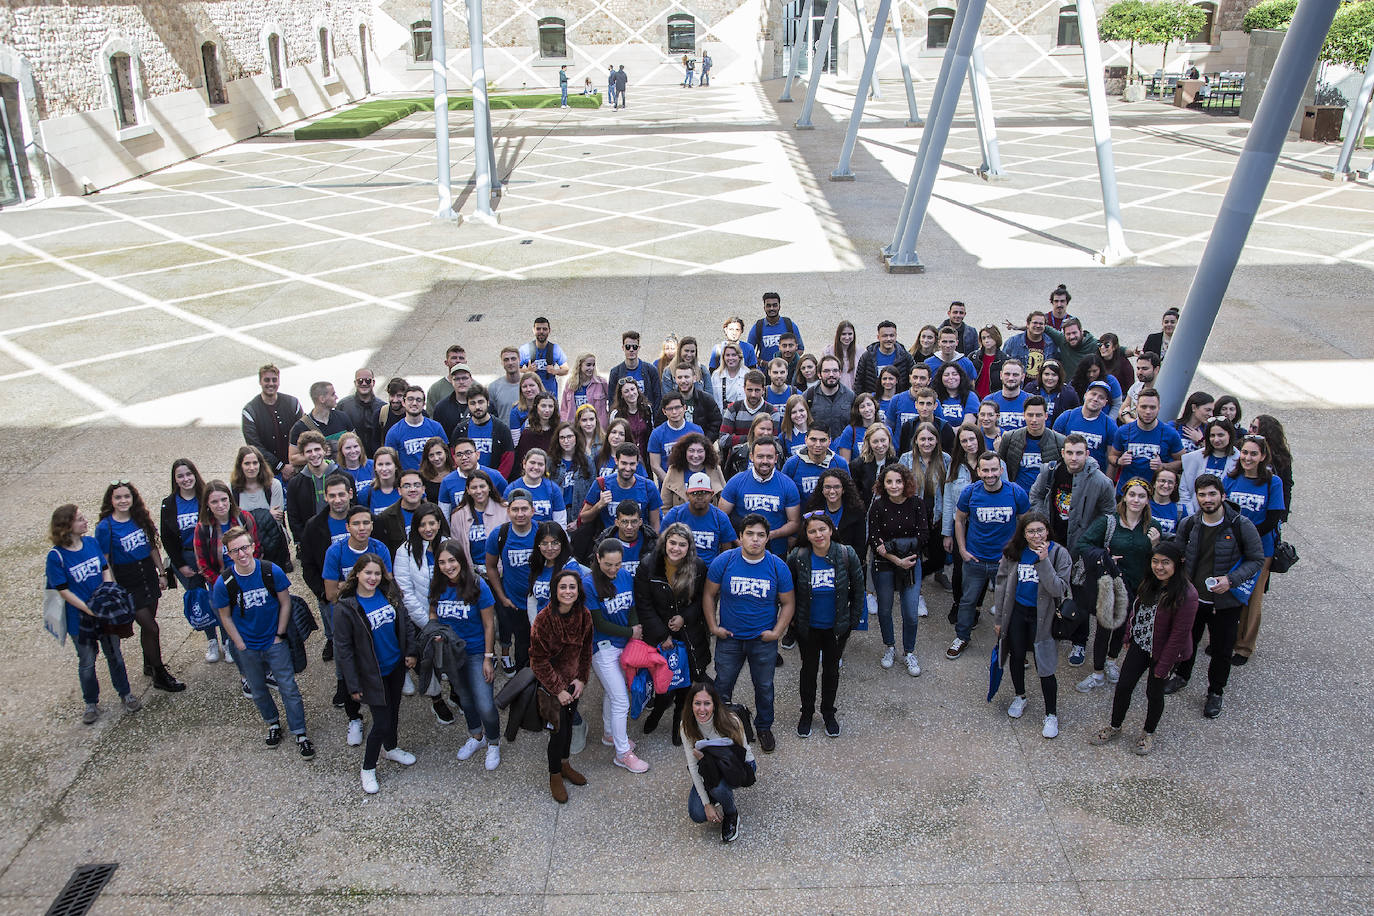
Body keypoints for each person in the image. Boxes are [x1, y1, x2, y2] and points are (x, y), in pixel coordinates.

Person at [1161, 474, 1265, 718]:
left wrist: (1230, 580)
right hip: (1194, 600)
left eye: (1212, 494)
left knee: (1221, 650)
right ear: (1196, 497)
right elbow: (1178, 552)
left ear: (1222, 496)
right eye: (1202, 495)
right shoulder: (1189, 524)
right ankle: (1181, 676)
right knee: (1187, 641)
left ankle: (1215, 692)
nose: (1207, 499)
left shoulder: (1241, 525)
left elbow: (1256, 559)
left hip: (1225, 603)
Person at [210, 526, 313, 759]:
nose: (242, 554)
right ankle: (273, 723)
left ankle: (300, 732)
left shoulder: (270, 571)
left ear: (253, 547)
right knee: (257, 690)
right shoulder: (224, 582)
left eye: (244, 547)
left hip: (274, 642)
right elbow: (224, 616)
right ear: (228, 554)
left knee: (289, 688)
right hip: (247, 646)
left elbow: (285, 602)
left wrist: (279, 634)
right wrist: (240, 643)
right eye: (235, 551)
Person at [1093, 540, 1198, 755]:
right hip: (1141, 644)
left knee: (1154, 693)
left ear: (1178, 564)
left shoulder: (1188, 595)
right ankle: (1115, 725)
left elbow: (1179, 635)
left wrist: (1163, 667)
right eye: (1155, 561)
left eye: (1165, 563)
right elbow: (1138, 609)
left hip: (1164, 652)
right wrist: (1129, 633)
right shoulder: (1152, 581)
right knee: (1123, 687)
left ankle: (1148, 732)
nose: (1159, 567)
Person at [703, 514, 795, 753]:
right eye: (750, 534)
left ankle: (764, 726)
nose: (755, 540)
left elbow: (788, 603)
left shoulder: (777, 566)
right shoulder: (724, 561)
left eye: (761, 535)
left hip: (762, 641)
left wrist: (777, 632)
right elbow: (709, 594)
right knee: (722, 684)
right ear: (740, 537)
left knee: (764, 687)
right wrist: (713, 626)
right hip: (730, 639)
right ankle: (722, 728)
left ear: (767, 538)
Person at [47, 504, 142, 724]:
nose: (85, 521)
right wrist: (90, 609)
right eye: (79, 519)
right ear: (67, 526)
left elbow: (104, 568)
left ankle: (125, 693)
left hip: (104, 612)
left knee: (115, 655)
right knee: (87, 661)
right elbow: (62, 590)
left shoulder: (90, 543)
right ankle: (91, 702)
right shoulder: (56, 556)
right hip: (79, 619)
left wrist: (106, 592)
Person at [1027, 433, 1116, 666]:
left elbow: (1109, 514)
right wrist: (1042, 520)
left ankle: (1079, 641)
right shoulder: (1051, 471)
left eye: (1079, 453)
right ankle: (1049, 633)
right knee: (1047, 590)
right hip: (1053, 543)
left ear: (1087, 454)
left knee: (1079, 597)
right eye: (1069, 452)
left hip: (1081, 548)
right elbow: (1035, 494)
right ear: (1063, 453)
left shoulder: (1100, 481)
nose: (1074, 457)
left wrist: (1093, 537)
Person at [334, 554, 418, 793]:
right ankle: (368, 768)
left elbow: (406, 623)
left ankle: (391, 748)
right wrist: (352, 684)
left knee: (393, 713)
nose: (373, 578)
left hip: (395, 667)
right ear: (357, 574)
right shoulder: (346, 607)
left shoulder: (389, 594)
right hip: (372, 675)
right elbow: (344, 650)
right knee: (380, 721)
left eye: (377, 573)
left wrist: (410, 652)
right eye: (368, 573)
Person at [1075, 479, 1162, 694]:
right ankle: (1097, 672)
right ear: (1124, 496)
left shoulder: (1152, 528)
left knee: (1124, 626)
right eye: (1132, 495)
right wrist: (1104, 557)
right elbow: (1083, 544)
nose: (1136, 500)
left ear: (1147, 500)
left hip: (1137, 586)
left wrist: (1155, 546)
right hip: (1111, 585)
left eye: (1141, 496)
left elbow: (1156, 561)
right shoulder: (1109, 522)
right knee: (1104, 628)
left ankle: (1112, 661)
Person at [96, 481, 184, 692]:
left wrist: (162, 573)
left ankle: (149, 663)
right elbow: (104, 561)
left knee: (149, 624)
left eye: (127, 496)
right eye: (118, 497)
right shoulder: (105, 527)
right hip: (125, 581)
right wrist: (113, 587)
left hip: (147, 574)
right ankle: (160, 673)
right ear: (111, 501)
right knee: (151, 627)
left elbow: (152, 547)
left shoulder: (140, 519)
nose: (123, 501)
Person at [991, 511, 1071, 739]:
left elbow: (1059, 589)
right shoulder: (1014, 552)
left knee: (1044, 665)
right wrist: (998, 619)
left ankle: (1051, 714)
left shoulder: (1059, 554)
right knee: (1016, 656)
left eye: (1040, 530)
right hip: (1017, 613)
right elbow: (1001, 584)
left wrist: (1043, 560)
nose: (1036, 536)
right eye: (1030, 531)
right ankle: (1020, 695)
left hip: (1043, 617)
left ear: (1047, 531)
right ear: (1023, 534)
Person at [787, 510, 864, 737]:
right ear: (806, 534)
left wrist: (851, 622)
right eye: (812, 531)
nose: (818, 534)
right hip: (808, 628)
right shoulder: (798, 557)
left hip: (836, 628)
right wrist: (792, 621)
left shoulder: (846, 554)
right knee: (808, 671)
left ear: (831, 530)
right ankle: (807, 713)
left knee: (831, 671)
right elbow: (787, 592)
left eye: (822, 529)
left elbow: (858, 591)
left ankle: (828, 712)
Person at [428, 539, 502, 768]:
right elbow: (433, 612)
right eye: (442, 562)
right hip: (451, 654)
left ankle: (493, 742)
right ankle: (476, 736)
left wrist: (489, 658)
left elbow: (490, 624)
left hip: (476, 652)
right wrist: (436, 631)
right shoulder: (438, 585)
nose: (448, 566)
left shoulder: (478, 585)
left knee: (485, 703)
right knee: (465, 699)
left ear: (461, 559)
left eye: (452, 560)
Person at [949, 452, 1030, 659]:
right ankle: (962, 637)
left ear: (1001, 470)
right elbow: (959, 520)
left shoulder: (1016, 493)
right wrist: (962, 549)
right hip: (975, 559)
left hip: (1005, 561)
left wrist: (1018, 552)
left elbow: (1026, 523)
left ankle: (1011, 642)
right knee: (967, 601)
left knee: (1009, 603)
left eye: (994, 469)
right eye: (985, 470)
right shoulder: (970, 492)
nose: (990, 474)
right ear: (978, 472)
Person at [635, 522, 711, 740]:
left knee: (685, 683)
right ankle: (658, 711)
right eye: (672, 543)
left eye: (682, 544)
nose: (676, 548)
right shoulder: (647, 566)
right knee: (663, 682)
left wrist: (683, 618)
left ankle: (680, 719)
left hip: (689, 633)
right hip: (658, 633)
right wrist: (663, 635)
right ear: (665, 542)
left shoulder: (698, 566)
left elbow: (701, 601)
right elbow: (644, 605)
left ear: (689, 547)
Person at [582, 538, 650, 773]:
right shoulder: (588, 584)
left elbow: (631, 608)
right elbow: (597, 622)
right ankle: (623, 754)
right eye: (608, 564)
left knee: (614, 693)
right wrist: (630, 631)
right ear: (598, 559)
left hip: (624, 644)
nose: (613, 569)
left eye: (617, 564)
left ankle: (610, 734)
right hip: (603, 648)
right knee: (621, 699)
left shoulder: (624, 576)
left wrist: (634, 631)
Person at [530, 569, 593, 803]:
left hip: (574, 684)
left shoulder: (584, 615)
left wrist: (581, 679)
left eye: (572, 587)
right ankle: (554, 774)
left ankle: (566, 764)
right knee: (557, 733)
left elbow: (586, 650)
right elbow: (537, 660)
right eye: (563, 587)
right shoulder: (544, 620)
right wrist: (558, 690)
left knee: (569, 729)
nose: (568, 591)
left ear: (578, 591)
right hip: (551, 688)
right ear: (555, 591)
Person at [1224, 433, 1286, 667]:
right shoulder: (1230, 479)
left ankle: (1244, 647)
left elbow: (1273, 518)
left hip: (1261, 549)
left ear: (1262, 457)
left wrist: (1246, 537)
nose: (1247, 458)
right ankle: (1227, 638)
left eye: (1253, 454)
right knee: (1229, 592)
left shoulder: (1273, 482)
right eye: (1244, 453)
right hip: (1232, 546)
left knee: (1252, 597)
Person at [392, 504, 457, 724]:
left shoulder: (449, 545)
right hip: (421, 618)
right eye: (422, 524)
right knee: (427, 663)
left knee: (452, 657)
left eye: (432, 523)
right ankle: (437, 700)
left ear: (439, 523)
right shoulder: (405, 551)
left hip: (450, 615)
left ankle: (457, 692)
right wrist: (427, 623)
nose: (428, 528)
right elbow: (406, 593)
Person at [867, 464, 929, 675]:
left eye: (898, 481)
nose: (894, 486)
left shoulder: (917, 504)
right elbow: (875, 540)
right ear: (882, 484)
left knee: (910, 612)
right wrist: (894, 557)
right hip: (885, 563)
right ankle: (890, 647)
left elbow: (923, 536)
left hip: (911, 563)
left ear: (906, 483)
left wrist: (892, 546)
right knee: (885, 608)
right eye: (889, 481)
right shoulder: (877, 506)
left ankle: (909, 651)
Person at [681, 681, 754, 843]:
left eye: (707, 703)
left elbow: (745, 753)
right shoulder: (686, 726)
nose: (702, 709)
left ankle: (731, 813)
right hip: (708, 770)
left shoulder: (731, 720)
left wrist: (709, 760)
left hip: (736, 766)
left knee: (718, 787)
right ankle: (716, 795)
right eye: (697, 703)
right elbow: (693, 768)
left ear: (714, 704)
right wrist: (707, 804)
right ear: (691, 705)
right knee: (697, 813)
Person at [299, 473, 354, 667]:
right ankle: (332, 643)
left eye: (341, 494)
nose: (337, 500)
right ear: (325, 497)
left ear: (350, 494)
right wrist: (321, 592)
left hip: (361, 587)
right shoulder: (314, 526)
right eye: (332, 495)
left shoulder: (363, 519)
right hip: (331, 592)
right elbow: (307, 563)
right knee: (337, 633)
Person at [718, 436, 802, 558]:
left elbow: (794, 522)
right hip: (741, 548)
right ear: (751, 457)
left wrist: (770, 535)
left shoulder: (788, 484)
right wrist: (737, 541)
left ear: (776, 458)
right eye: (760, 456)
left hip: (775, 550)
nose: (765, 461)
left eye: (769, 457)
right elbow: (721, 516)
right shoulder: (736, 481)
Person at [486, 489, 539, 672]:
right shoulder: (499, 535)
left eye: (524, 509)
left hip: (541, 601)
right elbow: (491, 567)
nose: (520, 514)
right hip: (515, 602)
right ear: (508, 511)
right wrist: (502, 597)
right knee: (522, 646)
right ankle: (523, 688)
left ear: (533, 510)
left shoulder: (543, 532)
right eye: (515, 509)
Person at [1110, 388, 1184, 494]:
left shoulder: (1170, 433)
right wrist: (1119, 461)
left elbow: (1182, 462)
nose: (1148, 411)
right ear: (1136, 408)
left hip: (1155, 495)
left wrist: (1163, 466)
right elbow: (1112, 456)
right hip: (1126, 493)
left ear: (1159, 408)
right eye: (1143, 407)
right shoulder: (1123, 431)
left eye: (1152, 407)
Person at [582, 443, 662, 533]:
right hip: (610, 543)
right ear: (616, 460)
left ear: (637, 463)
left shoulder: (648, 487)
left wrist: (654, 545)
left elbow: (655, 525)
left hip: (640, 543)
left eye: (632, 464)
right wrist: (599, 505)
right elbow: (584, 518)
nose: (628, 468)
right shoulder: (601, 484)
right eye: (624, 463)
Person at [241, 364, 302, 482]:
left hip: (295, 469)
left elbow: (302, 434)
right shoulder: (250, 410)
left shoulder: (292, 403)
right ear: (260, 381)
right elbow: (254, 445)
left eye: (274, 380)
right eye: (267, 380)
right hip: (267, 473)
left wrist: (294, 464)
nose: (271, 383)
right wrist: (281, 466)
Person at [663, 473, 738, 564]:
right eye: (694, 493)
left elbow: (726, 551)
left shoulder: (720, 517)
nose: (699, 497)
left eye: (704, 493)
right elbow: (662, 543)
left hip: (709, 570)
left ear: (711, 494)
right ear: (687, 494)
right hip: (679, 567)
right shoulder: (675, 514)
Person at [997, 396, 1065, 495]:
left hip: (1044, 498)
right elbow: (1000, 466)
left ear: (1046, 416)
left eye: (1038, 415)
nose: (1034, 420)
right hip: (1017, 495)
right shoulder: (1010, 438)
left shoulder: (1059, 441)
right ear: (1024, 415)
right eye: (1030, 415)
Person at [285, 431, 341, 541]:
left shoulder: (342, 476)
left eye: (317, 449)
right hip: (312, 539)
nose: (314, 454)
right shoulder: (295, 484)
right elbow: (293, 517)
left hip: (340, 535)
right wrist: (303, 540)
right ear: (303, 454)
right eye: (309, 451)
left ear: (325, 450)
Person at [451, 470, 507, 575]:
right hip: (472, 574)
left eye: (482, 486)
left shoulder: (505, 510)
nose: (478, 491)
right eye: (474, 488)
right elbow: (456, 550)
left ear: (489, 487)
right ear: (468, 490)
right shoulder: (457, 516)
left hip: (501, 572)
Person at [1053, 380, 1118, 472]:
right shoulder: (1066, 417)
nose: (1095, 399)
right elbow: (1052, 449)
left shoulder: (1109, 425)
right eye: (1093, 394)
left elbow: (1112, 458)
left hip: (1094, 476)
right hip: (1066, 474)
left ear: (1105, 402)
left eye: (1101, 397)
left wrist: (1109, 483)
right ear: (1085, 395)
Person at [1178, 417, 1239, 513]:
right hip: (1194, 514)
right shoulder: (1193, 458)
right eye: (1212, 435)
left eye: (1220, 435)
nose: (1216, 439)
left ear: (1230, 435)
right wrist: (1191, 515)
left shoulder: (1239, 459)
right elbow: (1184, 490)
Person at [288, 380, 354, 466]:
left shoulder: (343, 417)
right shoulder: (301, 427)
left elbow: (357, 444)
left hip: (346, 471)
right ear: (322, 399)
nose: (336, 397)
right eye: (333, 394)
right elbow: (293, 459)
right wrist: (318, 453)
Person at [782, 422, 850, 501]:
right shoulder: (792, 464)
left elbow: (849, 493)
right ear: (806, 439)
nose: (818, 444)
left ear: (829, 441)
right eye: (813, 439)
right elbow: (783, 493)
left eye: (822, 440)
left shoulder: (840, 463)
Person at [383, 386, 446, 471]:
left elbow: (446, 454)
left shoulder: (436, 427)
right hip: (409, 480)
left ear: (424, 404)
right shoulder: (394, 432)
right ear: (403, 402)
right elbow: (389, 461)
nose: (414, 403)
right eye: (410, 399)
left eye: (418, 400)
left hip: (434, 478)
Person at [648, 391, 703, 482]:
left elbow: (702, 459)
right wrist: (670, 484)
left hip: (693, 484)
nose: (674, 412)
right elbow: (655, 465)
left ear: (684, 408)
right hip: (668, 484)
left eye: (677, 407)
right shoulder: (656, 434)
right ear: (664, 411)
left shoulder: (696, 431)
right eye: (670, 409)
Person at [661, 432, 724, 509]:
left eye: (700, 451)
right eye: (691, 450)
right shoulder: (673, 470)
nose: (695, 455)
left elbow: (725, 500)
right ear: (684, 452)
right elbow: (664, 506)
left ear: (706, 452)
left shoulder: (715, 469)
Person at [375, 469, 430, 556]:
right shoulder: (385, 517)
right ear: (399, 491)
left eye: (417, 485)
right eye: (407, 486)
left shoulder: (433, 512)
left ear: (423, 489)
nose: (412, 489)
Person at [854, 320, 914, 396]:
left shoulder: (906, 357)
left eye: (891, 335)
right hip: (873, 402)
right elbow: (858, 383)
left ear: (896, 336)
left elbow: (912, 380)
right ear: (878, 337)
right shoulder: (867, 357)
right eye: (885, 336)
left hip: (898, 401)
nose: (888, 339)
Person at [608, 330, 663, 408]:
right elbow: (612, 400)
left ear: (638, 348)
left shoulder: (651, 370)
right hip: (624, 416)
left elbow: (657, 397)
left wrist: (653, 417)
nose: (631, 350)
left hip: (647, 415)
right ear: (623, 348)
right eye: (627, 347)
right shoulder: (615, 372)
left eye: (634, 347)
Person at [805, 355, 855, 440]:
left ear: (840, 373)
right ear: (819, 374)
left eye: (835, 371)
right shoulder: (808, 396)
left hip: (843, 448)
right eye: (826, 371)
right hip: (818, 448)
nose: (831, 374)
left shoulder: (850, 396)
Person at [850, 422, 898, 507]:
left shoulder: (896, 463)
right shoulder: (857, 465)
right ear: (869, 443)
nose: (880, 445)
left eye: (883, 440)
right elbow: (854, 495)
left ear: (889, 440)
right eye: (875, 442)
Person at [519, 317, 569, 399]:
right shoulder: (525, 350)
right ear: (533, 330)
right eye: (538, 329)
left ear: (549, 330)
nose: (541, 331)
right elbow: (515, 371)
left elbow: (566, 369)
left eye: (544, 329)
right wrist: (527, 371)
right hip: (531, 395)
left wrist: (555, 371)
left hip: (550, 395)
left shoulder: (555, 349)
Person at [338, 367, 384, 456]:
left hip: (376, 459)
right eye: (360, 381)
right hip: (351, 458)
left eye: (367, 381)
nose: (364, 383)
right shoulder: (343, 406)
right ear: (355, 383)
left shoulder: (383, 408)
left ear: (373, 383)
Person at [748, 292, 804, 365]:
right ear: (764, 308)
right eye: (768, 306)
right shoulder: (758, 326)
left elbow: (800, 349)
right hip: (765, 371)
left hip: (787, 372)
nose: (772, 308)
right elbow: (749, 352)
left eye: (775, 305)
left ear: (779, 307)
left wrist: (787, 362)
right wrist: (762, 362)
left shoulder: (789, 324)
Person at [609, 376, 654, 460]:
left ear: (637, 390)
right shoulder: (616, 414)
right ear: (621, 395)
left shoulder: (647, 409)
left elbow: (651, 432)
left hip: (645, 457)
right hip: (626, 458)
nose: (631, 393)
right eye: (626, 391)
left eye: (633, 389)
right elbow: (613, 438)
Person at [982, 359, 1030, 435]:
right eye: (1007, 374)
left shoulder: (1031, 401)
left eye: (1015, 375)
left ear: (1023, 377)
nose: (1011, 378)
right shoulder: (989, 400)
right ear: (1001, 375)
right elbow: (982, 431)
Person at [1003, 311, 1057, 377]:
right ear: (1028, 324)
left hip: (1042, 386)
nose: (1038, 326)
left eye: (1041, 324)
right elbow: (1003, 364)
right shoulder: (1013, 342)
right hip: (1019, 386)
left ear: (1045, 326)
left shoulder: (1051, 344)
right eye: (1035, 323)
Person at [561, 353, 609, 426]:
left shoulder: (601, 383)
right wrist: (565, 425)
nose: (592, 368)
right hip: (575, 427)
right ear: (580, 365)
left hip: (597, 428)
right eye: (588, 365)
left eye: (593, 365)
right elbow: (564, 408)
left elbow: (613, 401)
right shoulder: (570, 384)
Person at [1027, 359, 1079, 426]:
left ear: (1059, 377)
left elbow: (1075, 415)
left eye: (1054, 375)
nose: (1050, 378)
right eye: (1046, 374)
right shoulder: (1030, 388)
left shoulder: (1069, 393)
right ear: (1041, 375)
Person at [834, 393, 880, 462]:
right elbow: (845, 462)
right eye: (862, 407)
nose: (867, 409)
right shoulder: (850, 431)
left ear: (875, 406)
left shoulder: (884, 429)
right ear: (858, 411)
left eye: (869, 405)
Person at [432, 362, 473, 437]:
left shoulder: (482, 404)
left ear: (471, 379)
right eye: (457, 379)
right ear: (451, 381)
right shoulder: (441, 407)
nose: (461, 382)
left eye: (464, 378)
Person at [425, 344, 467, 413]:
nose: (458, 361)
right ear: (446, 362)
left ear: (465, 362)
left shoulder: (476, 387)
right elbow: (430, 417)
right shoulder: (435, 389)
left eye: (461, 358)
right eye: (454, 358)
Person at [332, 433, 373, 503]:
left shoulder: (373, 465)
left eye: (355, 446)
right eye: (348, 448)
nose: (353, 451)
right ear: (341, 450)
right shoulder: (336, 471)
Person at [1149, 468, 1190, 537]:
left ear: (1175, 487)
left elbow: (1183, 537)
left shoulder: (1180, 510)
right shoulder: (1143, 505)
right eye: (1162, 481)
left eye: (1170, 482)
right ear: (1154, 483)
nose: (1166, 485)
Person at [487, 346, 524, 423]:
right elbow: (490, 416)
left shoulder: (530, 384)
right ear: (502, 363)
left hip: (527, 433)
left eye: (513, 359)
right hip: (504, 434)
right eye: (506, 360)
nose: (510, 363)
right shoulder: (493, 387)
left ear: (519, 360)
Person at [972, 325, 1009, 400]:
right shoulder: (974, 357)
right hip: (975, 398)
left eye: (990, 337)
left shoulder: (1004, 360)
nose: (986, 340)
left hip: (994, 400)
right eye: (983, 338)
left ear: (996, 338)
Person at [710, 341, 748, 409]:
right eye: (727, 355)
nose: (730, 358)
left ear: (739, 357)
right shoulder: (716, 375)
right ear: (723, 357)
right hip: (720, 416)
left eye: (734, 355)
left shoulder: (747, 374)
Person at [823, 320, 858, 391]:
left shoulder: (861, 352)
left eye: (850, 334)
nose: (847, 337)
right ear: (838, 335)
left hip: (855, 393)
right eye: (844, 334)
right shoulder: (828, 352)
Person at [419, 437, 456, 504]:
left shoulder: (456, 473)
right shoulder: (422, 477)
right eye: (431, 455)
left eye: (439, 453)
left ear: (446, 453)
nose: (436, 458)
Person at [366, 447, 402, 512]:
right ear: (375, 467)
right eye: (380, 464)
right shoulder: (366, 494)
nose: (384, 469)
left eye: (388, 464)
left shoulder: (405, 490)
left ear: (396, 466)